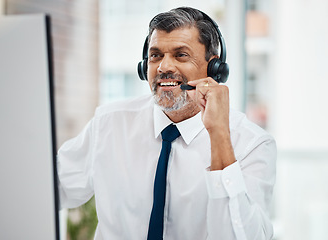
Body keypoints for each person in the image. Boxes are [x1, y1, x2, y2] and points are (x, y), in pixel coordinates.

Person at [57, 6, 276, 240]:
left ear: (214, 68)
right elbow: (45, 191)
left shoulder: (252, 144)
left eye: (181, 55)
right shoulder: (108, 125)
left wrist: (219, 134)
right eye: (156, 55)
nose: (164, 67)